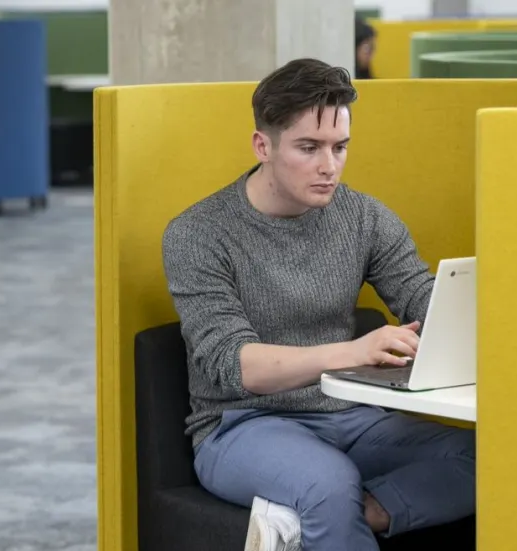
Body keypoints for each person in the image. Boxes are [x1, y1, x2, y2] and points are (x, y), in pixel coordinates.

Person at [161, 58, 475, 551]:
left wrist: (483, 311)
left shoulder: (365, 218)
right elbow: (237, 366)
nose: (328, 166)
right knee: (327, 484)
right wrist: (351, 352)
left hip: (349, 415)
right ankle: (327, 510)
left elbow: (421, 294)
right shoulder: (198, 234)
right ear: (263, 146)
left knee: (486, 454)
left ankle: (352, 515)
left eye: (339, 147)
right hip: (238, 427)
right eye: (308, 148)